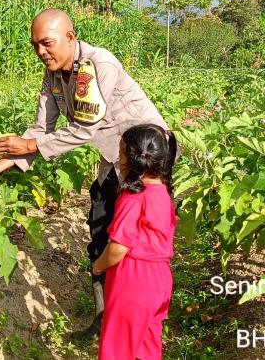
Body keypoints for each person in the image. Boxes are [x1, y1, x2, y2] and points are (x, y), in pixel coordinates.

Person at [0, 8, 168, 340]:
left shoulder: (99, 64)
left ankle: (140, 319)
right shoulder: (51, 76)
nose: (40, 52)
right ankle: (104, 320)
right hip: (114, 158)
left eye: (46, 43)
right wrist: (0, 164)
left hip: (146, 157)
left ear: (70, 37)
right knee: (100, 227)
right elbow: (40, 128)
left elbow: (83, 130)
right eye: (35, 45)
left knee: (136, 238)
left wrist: (27, 145)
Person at [92, 124, 177, 360]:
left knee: (117, 350)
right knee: (146, 348)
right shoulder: (163, 193)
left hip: (133, 280)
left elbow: (119, 246)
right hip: (160, 279)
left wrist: (99, 265)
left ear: (131, 159)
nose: (118, 160)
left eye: (120, 154)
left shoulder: (133, 196)